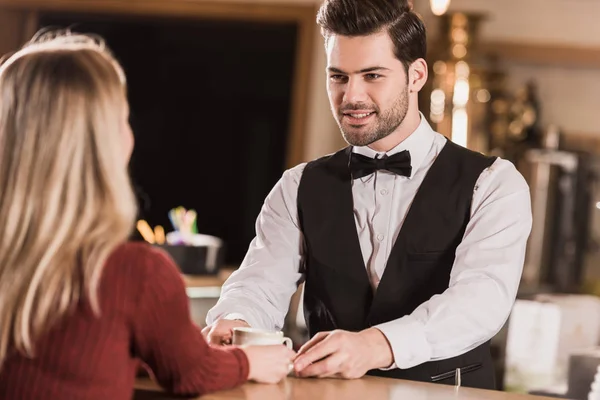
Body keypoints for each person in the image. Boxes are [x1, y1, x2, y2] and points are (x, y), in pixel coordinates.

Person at [204, 0, 532, 390]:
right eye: (338, 77)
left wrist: (375, 345)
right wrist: (237, 321)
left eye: (372, 75)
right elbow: (259, 283)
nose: (351, 96)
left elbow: (480, 302)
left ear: (416, 75)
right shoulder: (297, 186)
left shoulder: (494, 183)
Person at [0, 32, 294, 400]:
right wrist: (249, 362)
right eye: (122, 118)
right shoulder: (136, 274)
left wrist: (155, 351)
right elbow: (192, 373)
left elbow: (63, 356)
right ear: (102, 144)